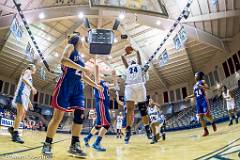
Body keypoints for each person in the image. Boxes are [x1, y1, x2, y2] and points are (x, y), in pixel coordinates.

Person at [42, 33, 102, 157]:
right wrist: (82, 67)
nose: (83, 41)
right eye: (80, 38)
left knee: (80, 116)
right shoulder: (70, 47)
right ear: (76, 40)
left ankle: (74, 145)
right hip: (66, 85)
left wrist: (96, 85)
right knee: (57, 117)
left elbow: (83, 76)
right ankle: (47, 145)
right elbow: (63, 60)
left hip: (78, 88)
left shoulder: (81, 58)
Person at [121, 46, 151, 144]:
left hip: (139, 85)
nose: (133, 61)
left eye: (134, 60)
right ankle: (128, 130)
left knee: (143, 108)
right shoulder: (127, 67)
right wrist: (127, 53)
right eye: (131, 61)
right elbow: (122, 57)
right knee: (129, 109)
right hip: (129, 86)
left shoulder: (139, 65)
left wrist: (133, 49)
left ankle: (147, 129)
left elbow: (138, 53)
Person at [83, 64, 116, 152]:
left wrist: (114, 75)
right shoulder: (98, 82)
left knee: (98, 125)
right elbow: (97, 69)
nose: (102, 74)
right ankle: (96, 143)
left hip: (104, 104)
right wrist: (96, 61)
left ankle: (87, 138)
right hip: (101, 103)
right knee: (106, 124)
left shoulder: (105, 84)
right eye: (100, 74)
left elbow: (115, 85)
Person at [8, 64, 37, 144]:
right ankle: (15, 134)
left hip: (24, 96)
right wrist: (32, 87)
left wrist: (29, 102)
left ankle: (12, 128)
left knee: (22, 114)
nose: (36, 69)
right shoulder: (28, 71)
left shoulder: (30, 76)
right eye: (35, 68)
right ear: (31, 68)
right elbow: (24, 79)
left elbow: (26, 91)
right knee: (20, 114)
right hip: (20, 94)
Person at [185, 71, 217, 137]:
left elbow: (208, 87)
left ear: (198, 76)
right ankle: (206, 131)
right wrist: (188, 97)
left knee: (207, 114)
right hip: (198, 101)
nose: (195, 77)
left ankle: (212, 123)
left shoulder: (202, 81)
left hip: (203, 99)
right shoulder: (194, 86)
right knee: (200, 117)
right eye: (195, 76)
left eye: (196, 75)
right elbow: (194, 94)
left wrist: (202, 86)